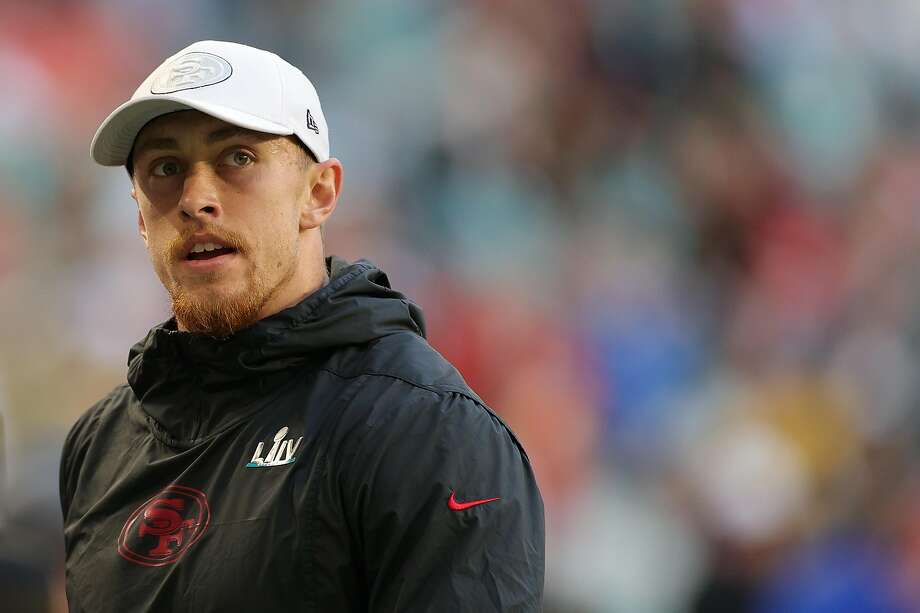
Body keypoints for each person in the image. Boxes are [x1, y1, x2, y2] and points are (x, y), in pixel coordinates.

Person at [59, 40, 544, 612]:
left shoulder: (425, 430)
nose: (195, 199)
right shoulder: (100, 442)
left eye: (237, 158)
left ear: (319, 193)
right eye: (165, 168)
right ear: (141, 217)